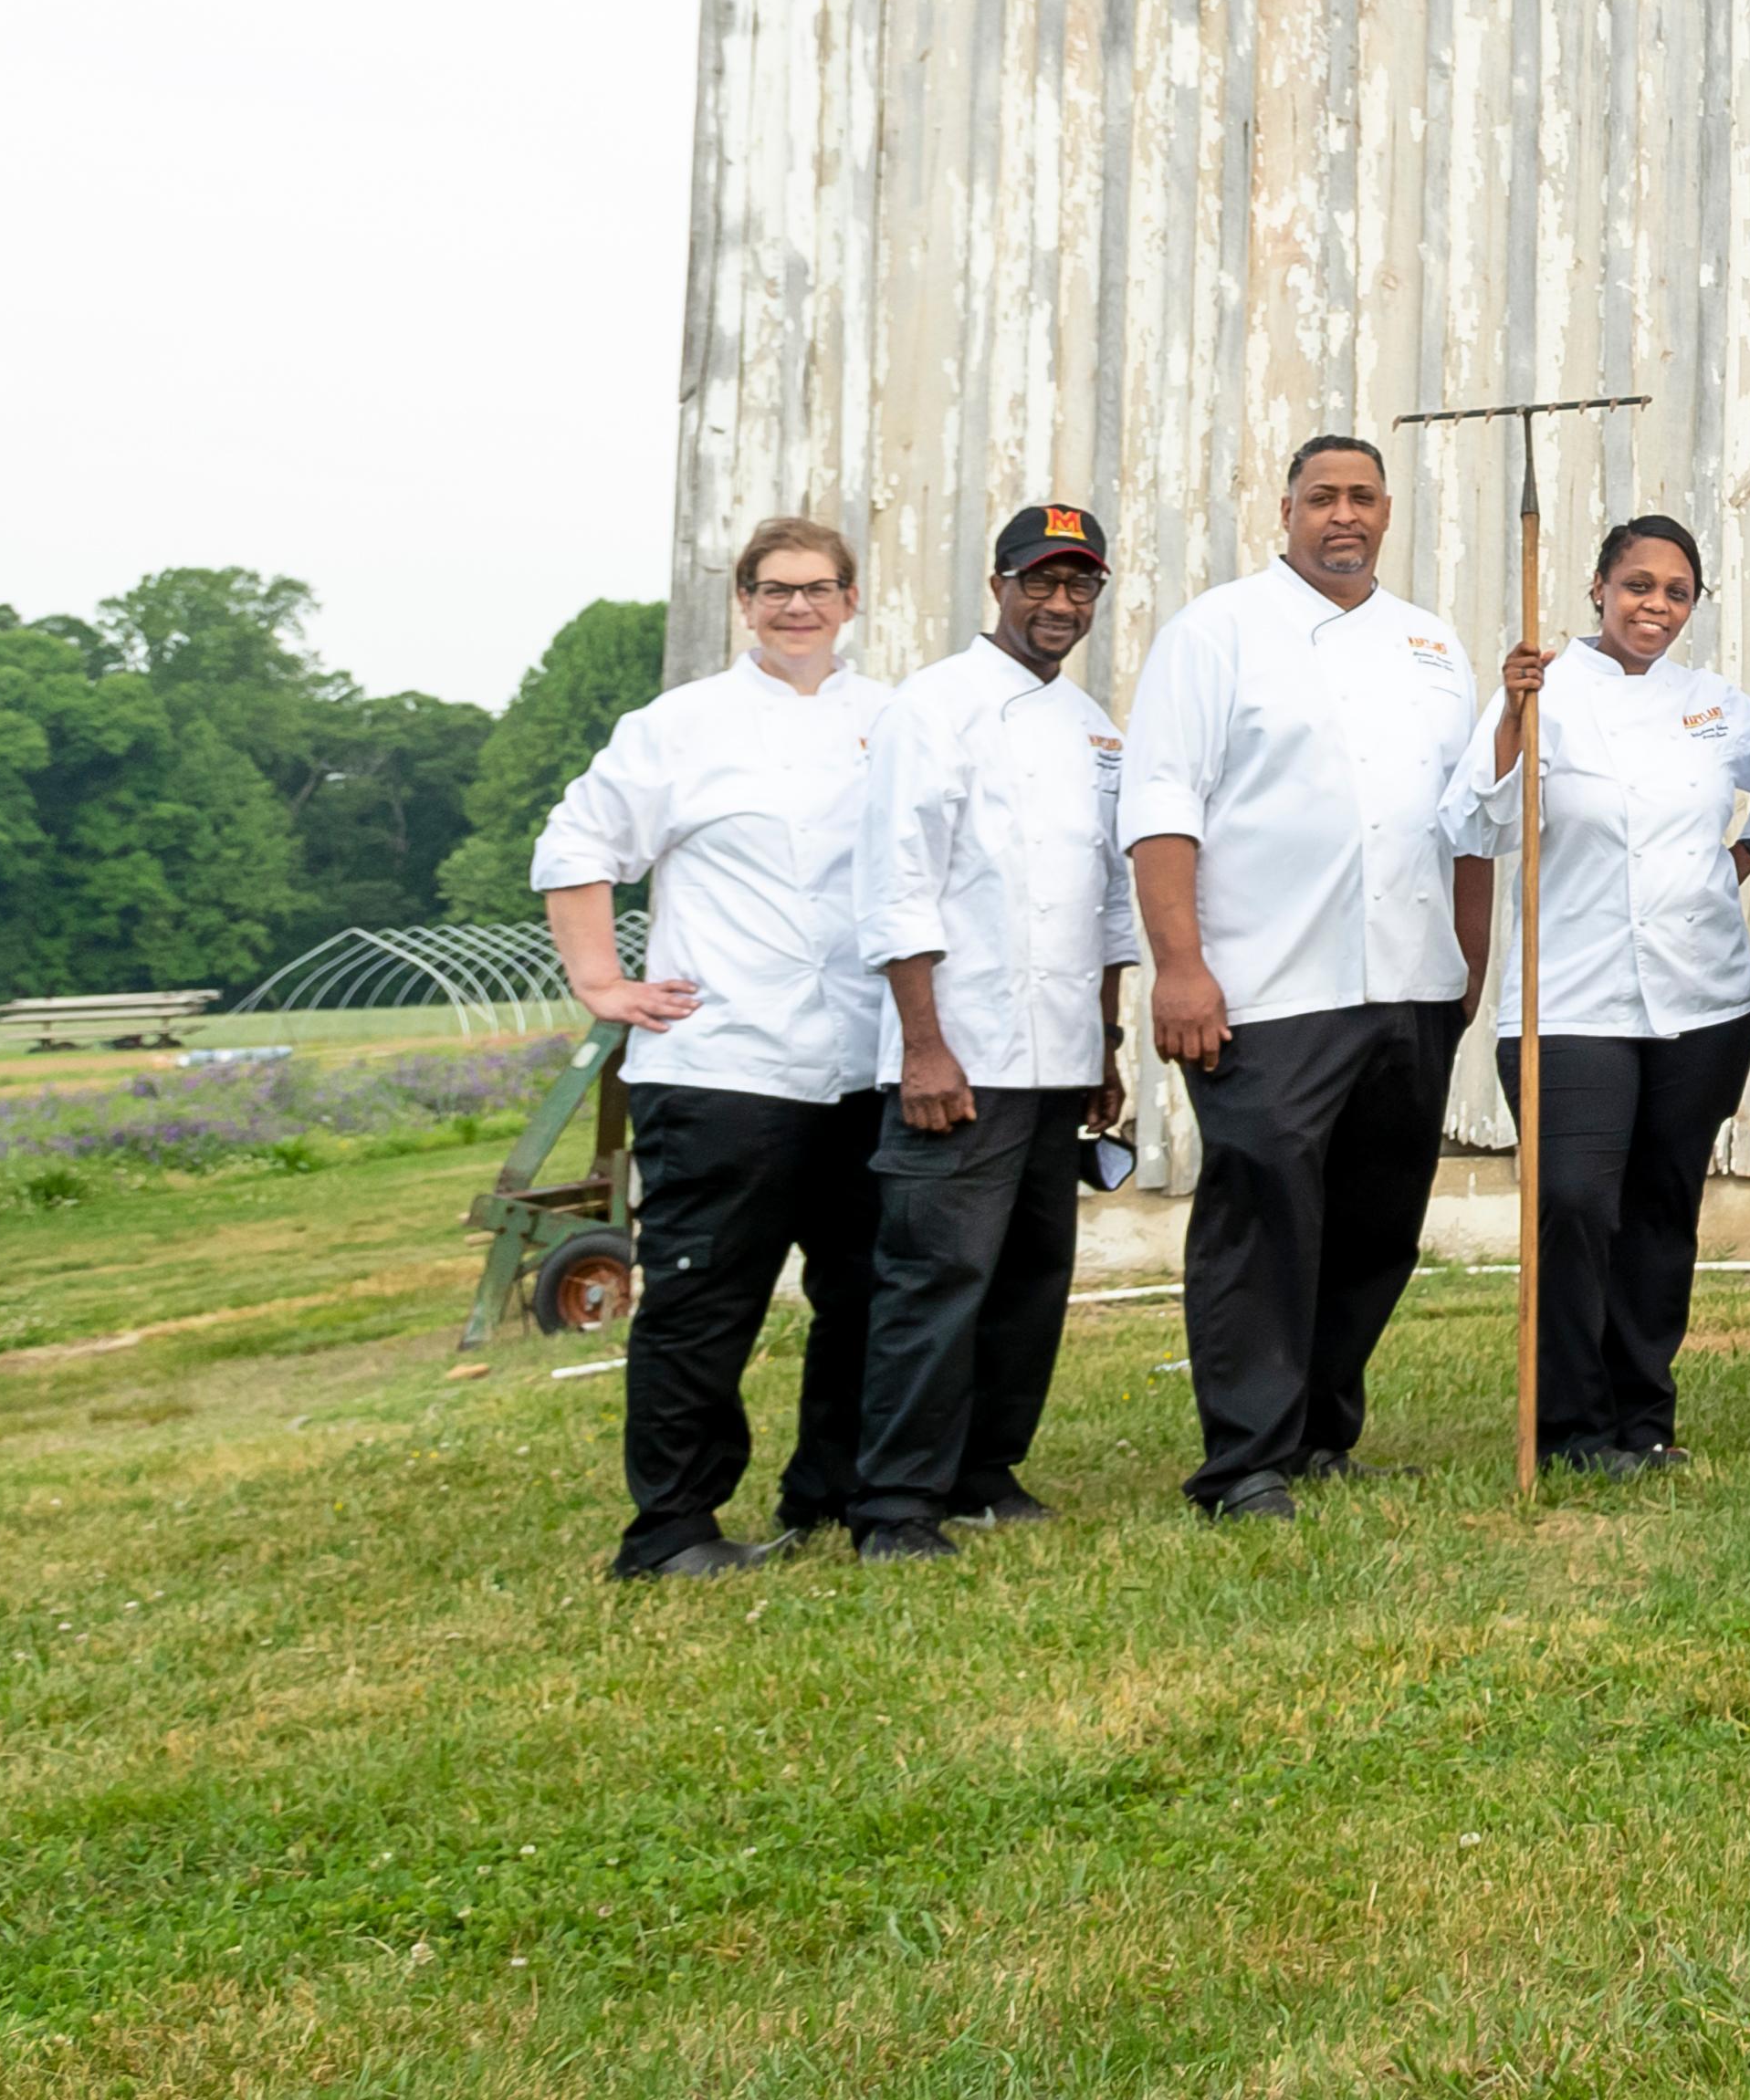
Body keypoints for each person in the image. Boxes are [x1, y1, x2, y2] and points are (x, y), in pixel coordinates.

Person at [1120, 434, 1492, 1519]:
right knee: (1264, 1218)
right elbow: (1160, 809)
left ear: (1388, 512)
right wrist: (1181, 969)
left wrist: (1468, 961)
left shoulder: (1431, 644)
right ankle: (1244, 1461)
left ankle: (1326, 1433)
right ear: (1282, 509)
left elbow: (1470, 814)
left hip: (1409, 982)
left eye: (1363, 498)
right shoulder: (1217, 633)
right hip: (1268, 987)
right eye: (1322, 497)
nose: (1344, 515)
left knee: (1378, 1224)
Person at [533, 516, 896, 1580]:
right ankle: (673, 1527)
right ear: (742, 603)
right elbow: (576, 842)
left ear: (850, 600)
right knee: (703, 1300)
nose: (797, 607)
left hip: (867, 1062)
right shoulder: (678, 726)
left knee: (867, 1291)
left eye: (818, 588)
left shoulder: (894, 719)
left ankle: (834, 1487)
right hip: (723, 1067)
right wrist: (600, 981)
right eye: (773, 589)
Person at [1455, 514, 1750, 1477]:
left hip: (1702, 1000)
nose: (1656, 605)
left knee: (1659, 1208)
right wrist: (1514, 717)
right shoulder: (1544, 688)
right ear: (1599, 587)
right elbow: (1478, 820)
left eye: (1677, 591)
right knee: (1573, 1204)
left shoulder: (1717, 706)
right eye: (1639, 584)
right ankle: (1570, 1425)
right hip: (1572, 1003)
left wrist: (1747, 853)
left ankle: (1643, 1417)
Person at [844, 503, 1138, 1559]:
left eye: (1081, 586)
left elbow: (1111, 902)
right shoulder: (935, 706)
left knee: (1027, 1280)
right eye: (1040, 582)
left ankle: (984, 1469)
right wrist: (922, 1045)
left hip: (1058, 1055)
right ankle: (892, 1504)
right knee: (936, 1280)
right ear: (999, 585)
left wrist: (1106, 1046)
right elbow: (897, 885)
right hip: (957, 1055)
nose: (1060, 604)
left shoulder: (1098, 725)